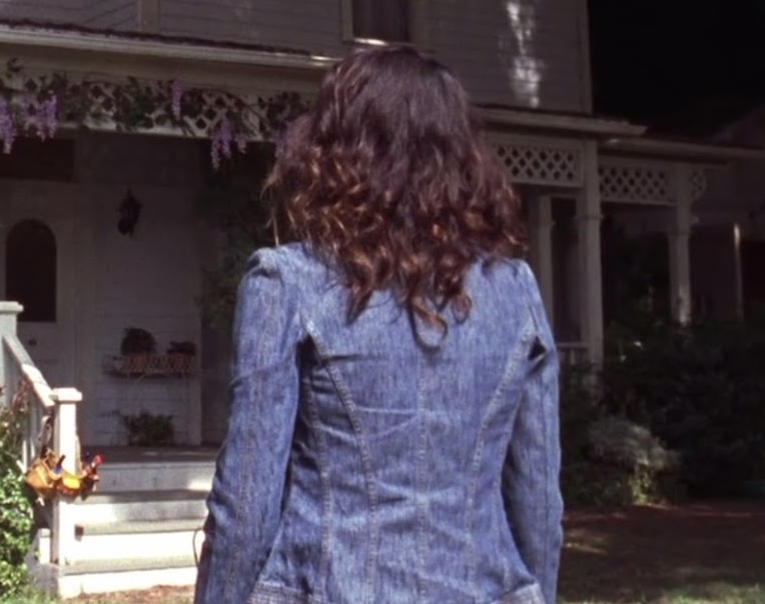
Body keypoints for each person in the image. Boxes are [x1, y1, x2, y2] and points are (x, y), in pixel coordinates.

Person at [194, 45, 562, 604]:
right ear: (462, 158)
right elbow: (538, 499)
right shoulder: (516, 289)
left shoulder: (289, 283)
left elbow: (245, 502)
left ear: (332, 153)